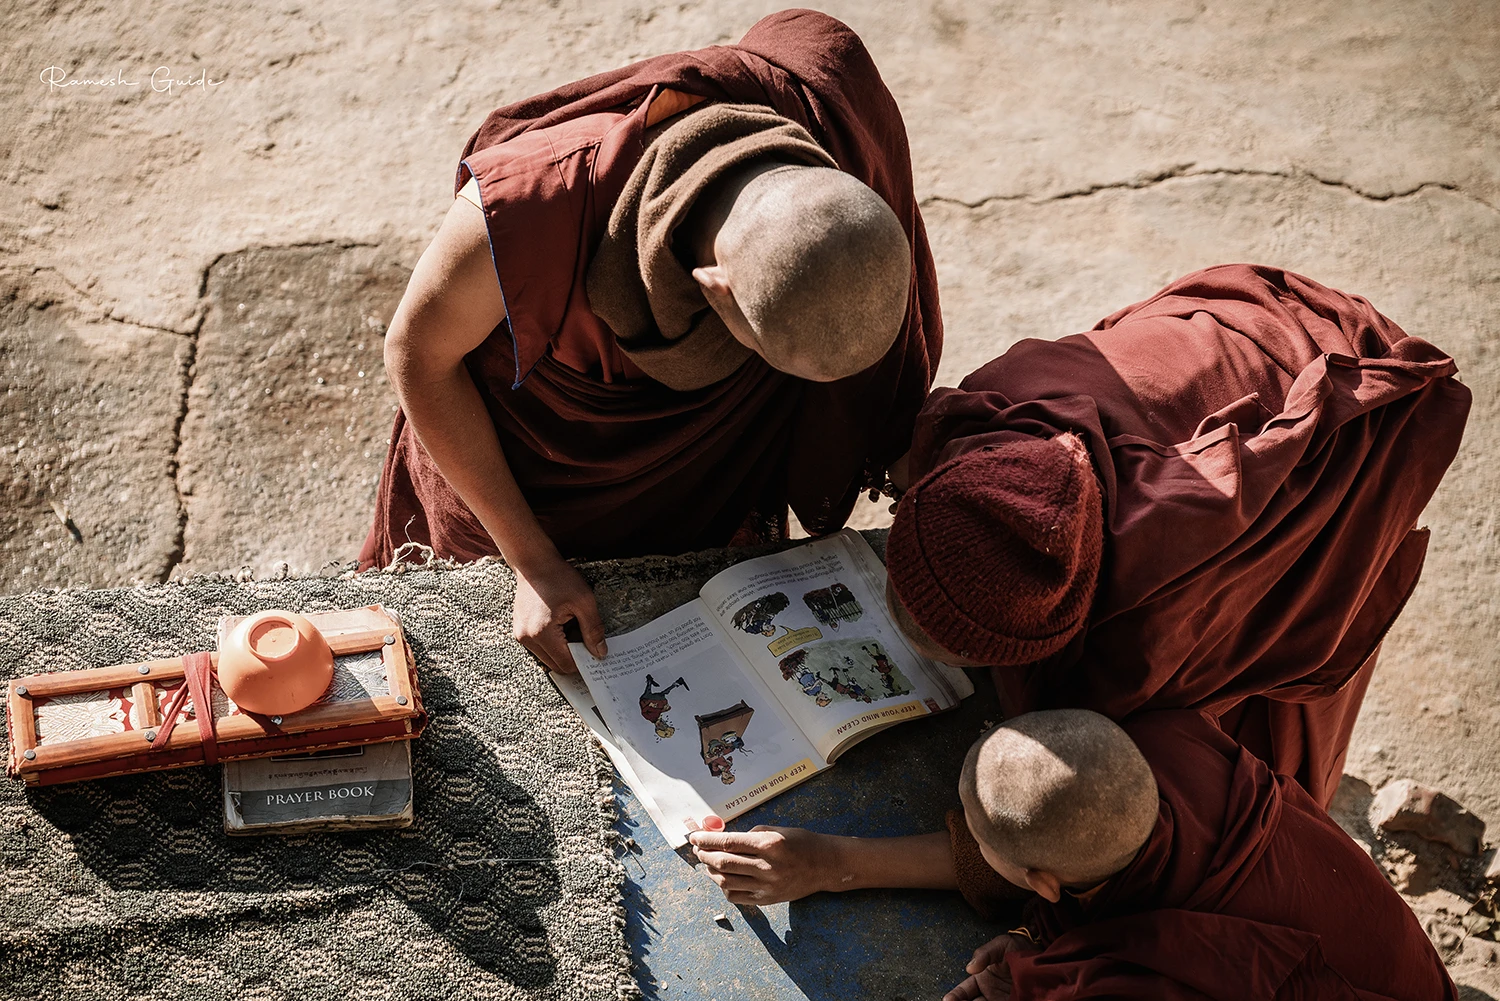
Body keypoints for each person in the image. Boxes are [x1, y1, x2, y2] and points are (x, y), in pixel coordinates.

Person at [360, 10, 941, 674]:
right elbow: (416, 354)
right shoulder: (536, 205)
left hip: (710, 500)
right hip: (522, 490)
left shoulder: (832, 122)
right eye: (766, 359)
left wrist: (904, 443)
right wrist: (534, 560)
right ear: (715, 290)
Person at [884, 264, 1470, 808]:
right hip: (1252, 336)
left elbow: (1101, 741)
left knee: (1235, 751)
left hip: (1348, 421)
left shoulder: (1150, 621)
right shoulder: (992, 401)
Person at [687, 710, 1457, 999]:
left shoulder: (1145, 972)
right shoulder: (1163, 738)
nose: (960, 833)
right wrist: (826, 861)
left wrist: (1038, 966)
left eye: (975, 839)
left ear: (1043, 885)